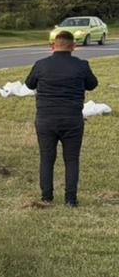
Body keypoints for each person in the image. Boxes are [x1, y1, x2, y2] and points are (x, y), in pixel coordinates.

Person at [24, 30, 98, 206]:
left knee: (47, 157)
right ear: (74, 47)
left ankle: (47, 197)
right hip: (72, 118)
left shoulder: (41, 65)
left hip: (46, 118)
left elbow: (29, 84)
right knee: (71, 159)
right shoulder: (82, 65)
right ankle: (71, 200)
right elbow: (92, 84)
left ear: (53, 46)